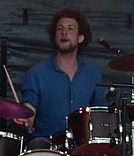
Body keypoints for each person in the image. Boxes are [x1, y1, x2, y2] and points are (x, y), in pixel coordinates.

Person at [16, 9, 108, 142]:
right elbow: (29, 115)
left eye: (70, 28)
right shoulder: (36, 73)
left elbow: (99, 115)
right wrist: (24, 120)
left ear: (80, 38)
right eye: (59, 29)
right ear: (54, 36)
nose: (64, 32)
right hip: (46, 146)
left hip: (81, 146)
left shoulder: (92, 74)